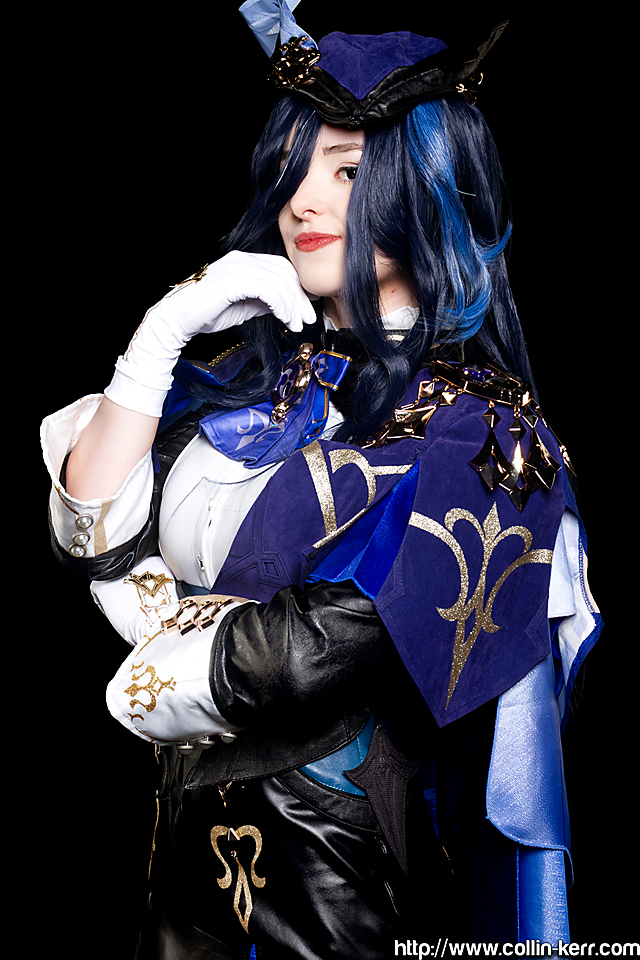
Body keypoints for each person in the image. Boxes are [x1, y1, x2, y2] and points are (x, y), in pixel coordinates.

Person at [40, 3, 602, 957]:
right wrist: (165, 332)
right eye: (295, 168)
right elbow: (92, 533)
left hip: (337, 881)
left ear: (424, 186)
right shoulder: (258, 384)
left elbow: (314, 651)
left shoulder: (487, 431)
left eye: (345, 171)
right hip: (181, 875)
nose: (303, 201)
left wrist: (152, 637)